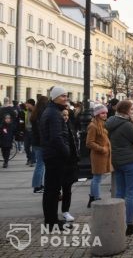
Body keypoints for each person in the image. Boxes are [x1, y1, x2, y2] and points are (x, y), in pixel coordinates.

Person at [106, 100, 133, 235]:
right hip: (129, 160)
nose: (132, 112)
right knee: (131, 193)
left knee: (119, 192)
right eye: (131, 110)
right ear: (125, 110)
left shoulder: (111, 120)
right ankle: (130, 224)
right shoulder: (126, 125)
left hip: (117, 160)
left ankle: (119, 220)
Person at [40, 86, 72, 230]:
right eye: (63, 96)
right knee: (52, 190)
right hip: (55, 156)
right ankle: (51, 222)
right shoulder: (53, 113)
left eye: (66, 96)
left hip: (51, 154)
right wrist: (66, 152)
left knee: (51, 190)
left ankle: (51, 220)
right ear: (54, 97)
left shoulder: (52, 110)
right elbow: (56, 137)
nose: (66, 98)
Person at [85, 104, 111, 208]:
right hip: (98, 155)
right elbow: (89, 143)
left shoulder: (102, 124)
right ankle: (96, 198)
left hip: (103, 155)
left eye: (105, 113)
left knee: (97, 177)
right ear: (97, 114)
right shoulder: (93, 125)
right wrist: (102, 148)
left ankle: (92, 197)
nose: (105, 115)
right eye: (102, 113)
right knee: (97, 178)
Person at [60, 109, 79, 222]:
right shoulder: (58, 128)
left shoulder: (69, 126)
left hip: (70, 162)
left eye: (67, 115)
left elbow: (74, 143)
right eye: (63, 115)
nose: (65, 117)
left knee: (67, 188)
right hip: (61, 162)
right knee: (59, 188)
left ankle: (65, 211)